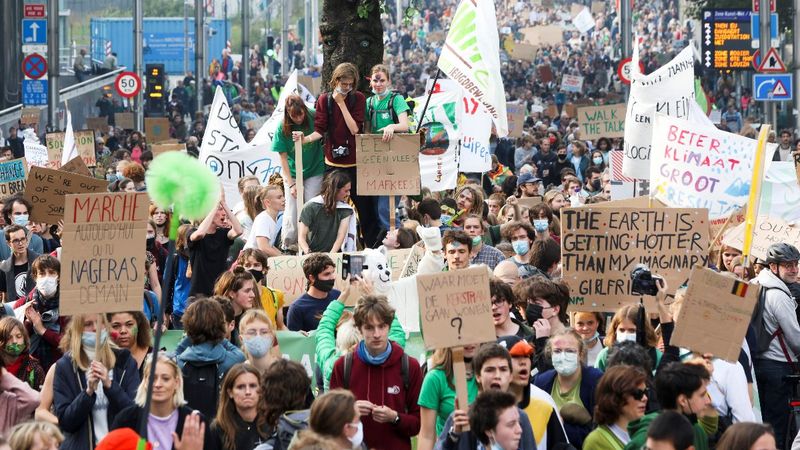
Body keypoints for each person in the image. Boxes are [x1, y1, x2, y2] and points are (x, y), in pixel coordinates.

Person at [329, 295, 423, 450]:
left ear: (389, 326)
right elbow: (329, 423)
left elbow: (418, 424)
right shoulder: (343, 366)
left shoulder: (409, 366)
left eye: (382, 326)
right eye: (369, 327)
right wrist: (349, 411)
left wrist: (395, 417)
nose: (377, 334)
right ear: (359, 328)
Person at [303, 63, 375, 246]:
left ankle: (370, 244)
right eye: (344, 84)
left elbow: (354, 129)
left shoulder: (357, 98)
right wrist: (304, 140)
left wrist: (342, 103)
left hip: (355, 163)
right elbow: (319, 130)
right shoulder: (323, 100)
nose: (347, 88)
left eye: (350, 84)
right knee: (330, 206)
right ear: (335, 80)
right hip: (333, 163)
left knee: (365, 209)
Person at [53, 314, 140, 450]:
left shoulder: (124, 361)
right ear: (78, 329)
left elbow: (135, 416)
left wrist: (110, 386)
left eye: (100, 323)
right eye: (88, 324)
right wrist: (87, 393)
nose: (95, 328)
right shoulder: (66, 366)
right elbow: (66, 422)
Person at [436, 344, 538, 450]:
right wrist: (454, 434)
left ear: (510, 376)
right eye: (490, 370)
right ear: (478, 376)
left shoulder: (520, 417)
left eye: (503, 369)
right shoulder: (462, 417)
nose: (497, 376)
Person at [315, 276, 405, 391]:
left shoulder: (331, 364)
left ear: (339, 340)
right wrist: (373, 296)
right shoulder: (388, 358)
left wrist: (343, 295)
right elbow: (395, 332)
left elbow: (324, 330)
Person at [752, 242, 800, 447]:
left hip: (760, 364)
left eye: (795, 264)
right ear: (773, 267)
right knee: (778, 428)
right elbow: (797, 340)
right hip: (779, 369)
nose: (794, 269)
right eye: (787, 265)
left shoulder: (756, 284)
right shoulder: (778, 295)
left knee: (767, 424)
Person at [111, 353, 210, 450]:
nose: (158, 384)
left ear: (177, 383)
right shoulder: (125, 420)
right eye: (152, 378)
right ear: (144, 381)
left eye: (165, 379)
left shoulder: (195, 424)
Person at [175, 298, 246, 419]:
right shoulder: (231, 360)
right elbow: (239, 353)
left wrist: (193, 334)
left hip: (186, 425)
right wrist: (216, 336)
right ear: (220, 325)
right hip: (218, 427)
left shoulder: (179, 362)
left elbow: (175, 352)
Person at [533, 328, 602, 447]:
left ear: (580, 354)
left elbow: (600, 433)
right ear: (551, 353)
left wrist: (561, 426)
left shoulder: (596, 381)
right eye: (557, 351)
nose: (563, 356)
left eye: (570, 351)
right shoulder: (541, 382)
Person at [496, 335, 568, 450]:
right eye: (515, 356)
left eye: (527, 356)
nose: (523, 362)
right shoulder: (482, 408)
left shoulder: (544, 403)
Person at [626, 363, 715, 450]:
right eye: (702, 395)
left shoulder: (698, 431)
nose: (708, 401)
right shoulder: (649, 436)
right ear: (683, 400)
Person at [365, 64, 411, 236]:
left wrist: (392, 126)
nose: (378, 84)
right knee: (378, 210)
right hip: (377, 164)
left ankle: (401, 243)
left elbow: (404, 125)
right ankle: (387, 244)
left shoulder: (396, 100)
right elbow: (368, 131)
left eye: (382, 80)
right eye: (375, 80)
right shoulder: (369, 102)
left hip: (396, 162)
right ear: (371, 82)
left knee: (386, 209)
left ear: (388, 81)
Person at [11, 255, 67, 372]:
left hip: (59, 370)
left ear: (59, 276)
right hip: (30, 372)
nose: (47, 278)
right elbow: (13, 346)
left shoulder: (68, 306)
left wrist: (42, 330)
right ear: (35, 277)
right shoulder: (22, 305)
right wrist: (27, 322)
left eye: (51, 273)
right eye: (42, 273)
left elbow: (70, 344)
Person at [417, 345, 479, 450]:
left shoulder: (492, 374)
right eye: (462, 336)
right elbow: (426, 435)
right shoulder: (435, 378)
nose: (470, 342)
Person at [583, 365, 649, 450]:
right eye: (638, 393)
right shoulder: (595, 442)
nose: (645, 398)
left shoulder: (651, 429)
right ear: (616, 397)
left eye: (646, 392)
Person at [207, 364, 271, 450]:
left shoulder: (273, 423)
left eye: (252, 386)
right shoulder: (218, 429)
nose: (248, 392)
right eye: (241, 387)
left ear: (260, 390)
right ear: (230, 392)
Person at [189, 197, 243, 297]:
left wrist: (224, 204)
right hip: (199, 294)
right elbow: (200, 234)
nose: (224, 213)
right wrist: (214, 207)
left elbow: (239, 231)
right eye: (220, 209)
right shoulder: (192, 232)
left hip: (220, 292)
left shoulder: (223, 234)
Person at [298, 170, 356, 254]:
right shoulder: (310, 206)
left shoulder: (345, 209)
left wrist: (331, 255)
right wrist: (308, 252)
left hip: (333, 254)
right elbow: (301, 237)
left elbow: (341, 236)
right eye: (346, 191)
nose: (349, 194)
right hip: (312, 254)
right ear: (335, 190)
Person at [595, 303, 663, 371]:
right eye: (622, 330)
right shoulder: (605, 355)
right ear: (615, 330)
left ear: (643, 331)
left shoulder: (656, 356)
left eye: (632, 330)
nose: (626, 334)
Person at [286, 253, 340, 332]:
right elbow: (294, 341)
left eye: (333, 272)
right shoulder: (297, 308)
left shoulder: (338, 295)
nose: (333, 277)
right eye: (327, 274)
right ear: (312, 278)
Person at [236, 249, 286, 330]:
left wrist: (296, 335)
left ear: (264, 269)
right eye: (248, 265)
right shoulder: (238, 296)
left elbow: (281, 326)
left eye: (256, 265)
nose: (252, 269)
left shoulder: (276, 295)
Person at [213, 268, 258, 346]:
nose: (253, 295)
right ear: (232, 294)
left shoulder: (253, 319)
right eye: (247, 291)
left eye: (252, 290)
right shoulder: (215, 321)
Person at [0, 317, 45, 390]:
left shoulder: (34, 369)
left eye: (19, 336)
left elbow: (42, 399)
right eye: (9, 337)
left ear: (24, 339)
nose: (14, 341)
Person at [108, 311, 152, 379]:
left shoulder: (154, 356)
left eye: (129, 325)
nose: (123, 331)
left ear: (138, 325)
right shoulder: (102, 359)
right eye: (116, 326)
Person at [0, 225, 38, 302]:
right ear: (8, 243)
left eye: (23, 239)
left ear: (27, 239)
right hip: (15, 310)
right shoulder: (4, 267)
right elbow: (5, 296)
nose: (20, 243)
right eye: (16, 240)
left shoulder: (39, 261)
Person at [245, 185, 285, 256]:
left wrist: (285, 256)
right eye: (279, 197)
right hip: (251, 260)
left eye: (283, 196)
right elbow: (263, 247)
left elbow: (270, 246)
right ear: (267, 202)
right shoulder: (263, 219)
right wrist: (284, 258)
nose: (283, 199)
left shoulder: (273, 218)